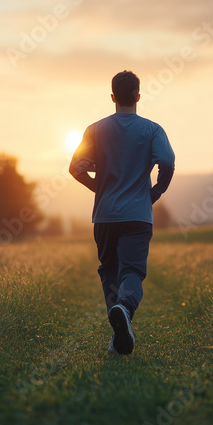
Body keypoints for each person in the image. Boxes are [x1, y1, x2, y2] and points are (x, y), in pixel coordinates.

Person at [69, 70, 175, 355]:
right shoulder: (153, 130)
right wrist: (155, 192)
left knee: (110, 272)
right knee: (132, 273)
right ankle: (124, 310)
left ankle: (117, 337)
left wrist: (98, 188)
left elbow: (75, 167)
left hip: (104, 215)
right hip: (138, 215)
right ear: (138, 97)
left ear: (113, 97)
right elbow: (167, 161)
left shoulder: (94, 130)